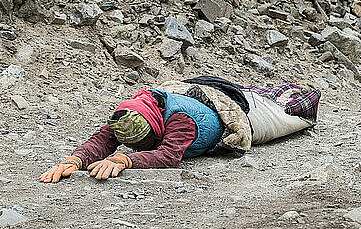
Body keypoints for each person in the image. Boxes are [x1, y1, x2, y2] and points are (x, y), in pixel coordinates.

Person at [41, 77, 320, 183]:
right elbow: (103, 139)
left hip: (231, 112)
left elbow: (168, 156)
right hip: (193, 93)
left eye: (144, 141)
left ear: (155, 125)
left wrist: (125, 159)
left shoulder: (181, 120)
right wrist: (73, 161)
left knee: (289, 113)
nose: (139, 147)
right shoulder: (133, 111)